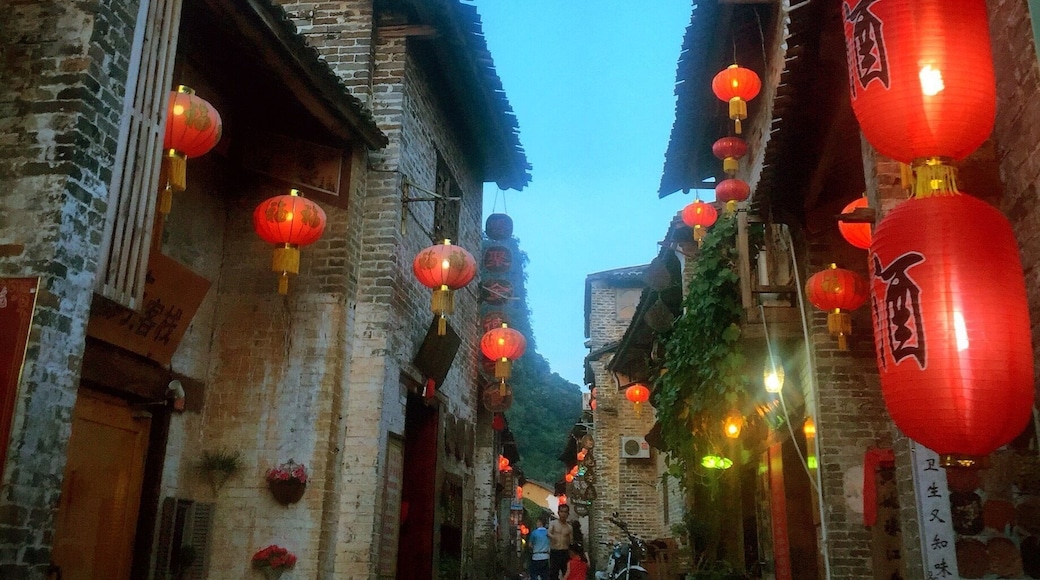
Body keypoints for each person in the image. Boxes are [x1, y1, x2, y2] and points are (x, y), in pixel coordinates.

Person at [547, 504, 573, 579]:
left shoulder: (569, 527)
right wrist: (552, 536)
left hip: (565, 552)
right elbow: (548, 533)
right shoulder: (553, 523)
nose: (563, 514)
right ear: (558, 513)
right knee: (553, 574)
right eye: (561, 512)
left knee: (566, 573)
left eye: (565, 512)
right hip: (555, 551)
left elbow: (571, 541)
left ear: (568, 514)